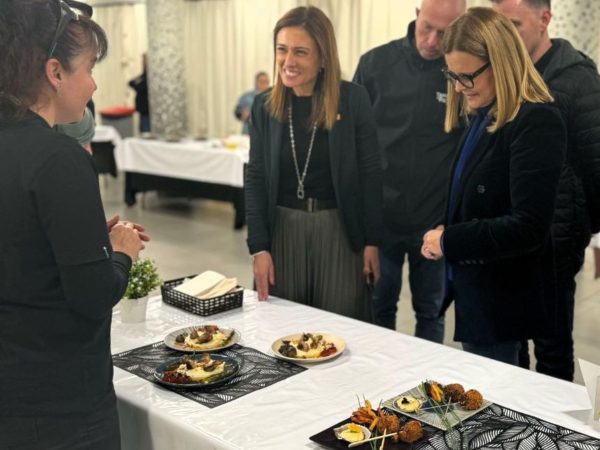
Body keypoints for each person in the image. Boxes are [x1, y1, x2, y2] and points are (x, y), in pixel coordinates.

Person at [0, 1, 148, 449]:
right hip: (61, 401)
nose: (94, 83)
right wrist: (121, 250)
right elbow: (92, 295)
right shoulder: (57, 158)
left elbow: (22, 247)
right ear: (55, 72)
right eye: (88, 68)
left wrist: (84, 239)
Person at [421, 7, 566, 365]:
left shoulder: (535, 120)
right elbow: (475, 194)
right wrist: (448, 226)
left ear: (500, 63)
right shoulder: (486, 111)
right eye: (452, 75)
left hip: (503, 299)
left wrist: (449, 239)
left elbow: (528, 226)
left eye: (467, 76)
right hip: (478, 292)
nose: (458, 86)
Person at [245, 6, 383, 321]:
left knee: (342, 328)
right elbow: (255, 177)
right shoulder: (264, 106)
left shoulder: (353, 100)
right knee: (283, 328)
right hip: (283, 229)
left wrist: (372, 241)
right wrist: (258, 247)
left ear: (323, 58)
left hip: (339, 228)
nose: (288, 61)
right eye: (282, 50)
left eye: (300, 52)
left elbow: (370, 175)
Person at [491, 0, 600, 382]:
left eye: (514, 25)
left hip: (556, 235)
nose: (505, 37)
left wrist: (588, 231)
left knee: (552, 347)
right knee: (511, 343)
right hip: (509, 228)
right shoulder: (501, 73)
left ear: (544, 19)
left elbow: (595, 157)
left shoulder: (577, 77)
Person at [352, 0, 465, 340]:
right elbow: (354, 143)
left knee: (430, 312)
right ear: (416, 16)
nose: (432, 41)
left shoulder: (461, 71)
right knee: (379, 307)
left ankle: (427, 387)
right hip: (382, 219)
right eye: (426, 27)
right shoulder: (374, 64)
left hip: (432, 221)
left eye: (444, 34)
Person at [128, 53, 150, 133]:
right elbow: (131, 82)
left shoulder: (150, 75)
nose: (142, 62)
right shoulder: (144, 75)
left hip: (147, 109)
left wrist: (137, 84)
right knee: (142, 130)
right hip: (142, 109)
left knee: (146, 132)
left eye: (144, 60)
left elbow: (140, 87)